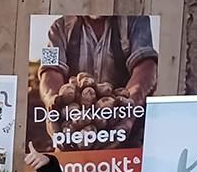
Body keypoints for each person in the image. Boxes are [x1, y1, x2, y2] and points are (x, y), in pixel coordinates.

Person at [36, 15, 158, 150]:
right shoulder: (58, 27)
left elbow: (146, 64)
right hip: (74, 136)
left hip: (126, 141)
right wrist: (52, 102)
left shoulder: (136, 20)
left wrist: (130, 108)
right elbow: (49, 70)